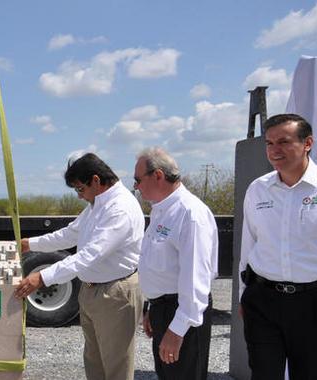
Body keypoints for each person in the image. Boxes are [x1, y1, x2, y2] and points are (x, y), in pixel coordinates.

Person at [239, 113, 317, 379]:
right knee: (264, 373)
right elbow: (249, 245)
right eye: (269, 143)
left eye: (284, 142)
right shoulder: (258, 189)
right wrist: (244, 293)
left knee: (310, 374)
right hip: (263, 299)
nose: (275, 150)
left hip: (316, 301)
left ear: (308, 143)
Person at [14, 153, 144, 380]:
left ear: (96, 180)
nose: (80, 196)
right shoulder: (97, 204)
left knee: (116, 366)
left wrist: (43, 277)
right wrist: (30, 244)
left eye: (80, 189)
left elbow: (90, 255)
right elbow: (71, 233)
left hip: (115, 293)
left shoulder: (119, 208)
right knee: (94, 361)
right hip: (93, 289)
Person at [134, 147, 217, 380]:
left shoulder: (189, 213)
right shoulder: (162, 211)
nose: (136, 187)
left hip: (182, 312)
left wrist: (177, 329)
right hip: (165, 309)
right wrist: (152, 307)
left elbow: (196, 280)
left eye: (138, 180)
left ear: (158, 175)